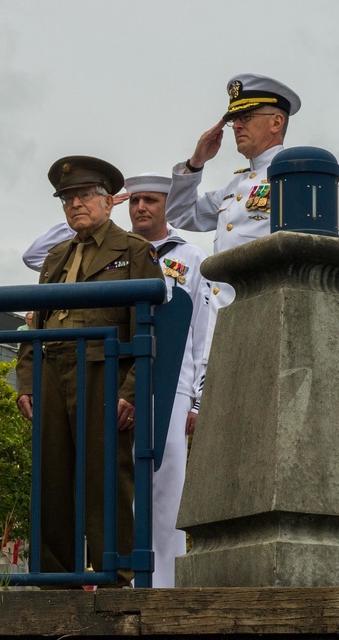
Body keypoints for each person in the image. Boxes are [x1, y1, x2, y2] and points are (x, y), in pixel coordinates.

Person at [15, 155, 163, 583]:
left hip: (103, 371)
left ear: (107, 201)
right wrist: (26, 379)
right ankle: (51, 579)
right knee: (50, 481)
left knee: (105, 478)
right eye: (67, 199)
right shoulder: (56, 257)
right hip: (53, 369)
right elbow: (35, 321)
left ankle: (112, 575)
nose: (75, 204)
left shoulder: (134, 251)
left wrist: (132, 392)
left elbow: (149, 332)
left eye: (84, 196)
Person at [166, 73, 301, 355]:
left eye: (247, 116)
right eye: (234, 119)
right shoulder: (235, 186)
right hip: (221, 325)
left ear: (276, 122)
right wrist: (196, 162)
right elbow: (178, 214)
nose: (237, 125)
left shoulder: (292, 175)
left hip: (266, 321)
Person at [123, 173, 210, 587]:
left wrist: (198, 398)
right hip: (122, 381)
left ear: (166, 206)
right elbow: (36, 254)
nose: (141, 208)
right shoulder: (116, 251)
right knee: (125, 481)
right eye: (133, 200)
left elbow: (202, 328)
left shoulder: (191, 255)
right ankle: (128, 575)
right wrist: (102, 204)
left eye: (150, 201)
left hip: (174, 380)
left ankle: (167, 583)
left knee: (167, 484)